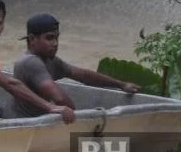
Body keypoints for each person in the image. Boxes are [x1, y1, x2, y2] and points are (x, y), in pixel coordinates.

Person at [7, 13, 140, 118]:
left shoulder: (50, 61)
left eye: (56, 38)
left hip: (38, 122)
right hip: (22, 123)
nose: (55, 43)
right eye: (49, 38)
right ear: (32, 39)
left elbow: (83, 75)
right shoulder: (30, 62)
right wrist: (79, 119)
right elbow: (59, 98)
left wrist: (121, 84)